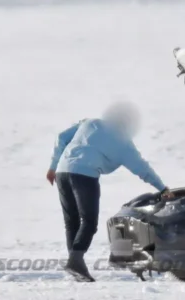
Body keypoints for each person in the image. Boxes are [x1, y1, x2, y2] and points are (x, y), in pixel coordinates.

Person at [47, 102, 167, 282]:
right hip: (84, 176)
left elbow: (61, 137)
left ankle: (76, 263)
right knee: (88, 221)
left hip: (63, 172)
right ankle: (75, 261)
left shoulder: (90, 123)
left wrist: (53, 166)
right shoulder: (123, 142)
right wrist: (162, 188)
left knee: (71, 220)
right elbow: (143, 169)